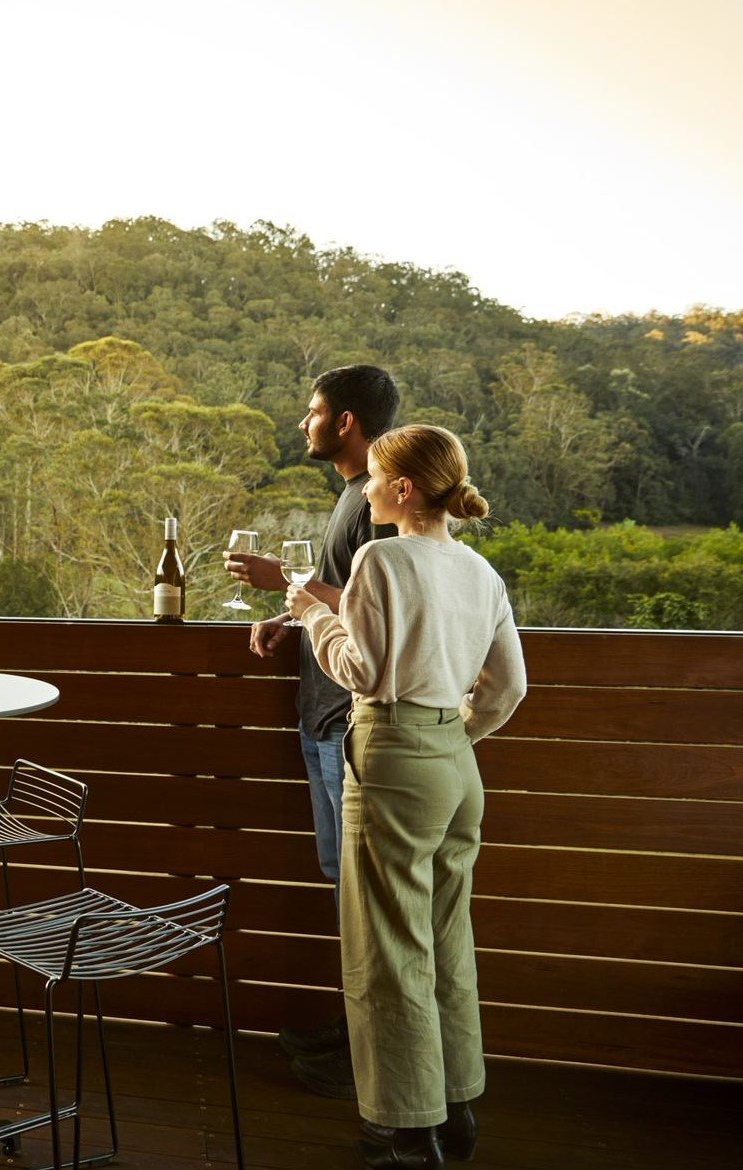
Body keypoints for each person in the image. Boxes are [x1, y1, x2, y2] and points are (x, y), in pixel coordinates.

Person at [285, 424, 526, 1169]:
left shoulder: (380, 557)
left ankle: (407, 1132)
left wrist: (308, 612)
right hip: (456, 766)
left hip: (392, 756)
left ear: (402, 489)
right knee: (446, 941)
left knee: (386, 950)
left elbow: (359, 669)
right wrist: (454, 733)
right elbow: (510, 686)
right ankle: (456, 1111)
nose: (362, 490)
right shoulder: (479, 571)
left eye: (372, 478)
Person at [227, 363, 399, 1097]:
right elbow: (342, 603)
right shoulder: (350, 498)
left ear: (347, 422)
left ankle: (369, 1054)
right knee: (343, 889)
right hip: (324, 717)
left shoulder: (379, 502)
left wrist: (286, 585)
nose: (305, 422)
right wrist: (290, 621)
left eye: (314, 410)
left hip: (348, 723)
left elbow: (382, 608)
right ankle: (354, 1032)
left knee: (358, 895)